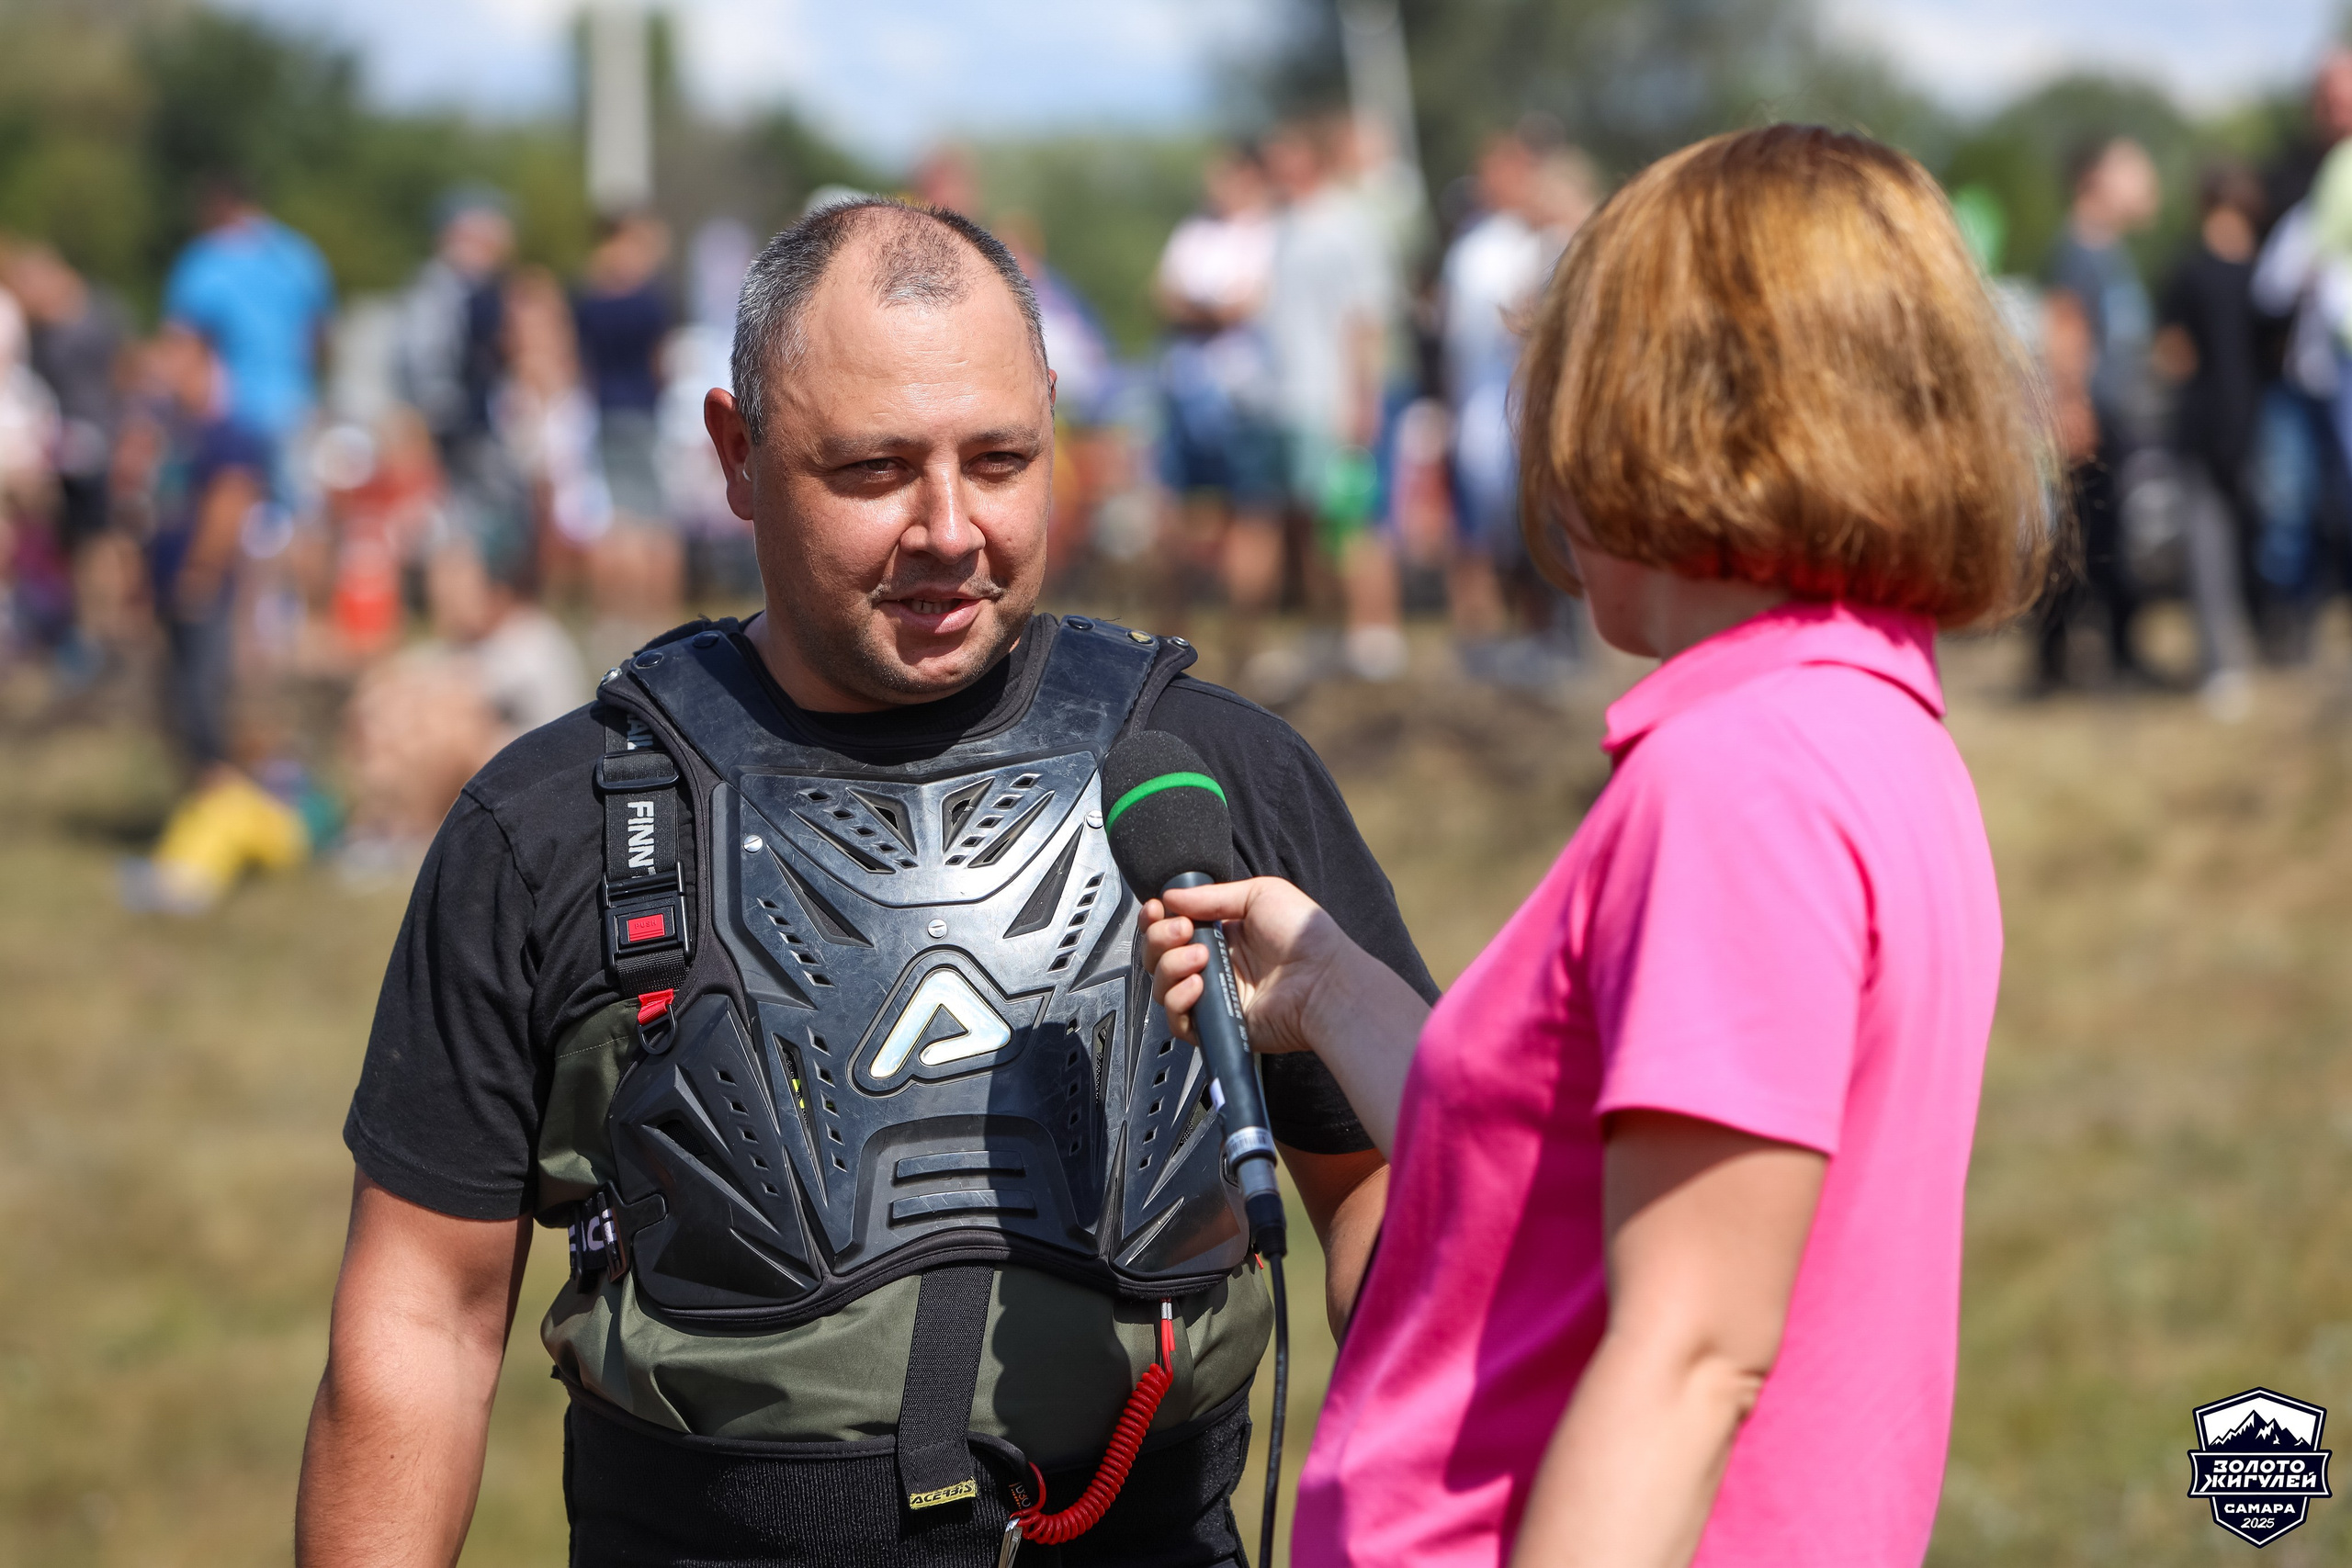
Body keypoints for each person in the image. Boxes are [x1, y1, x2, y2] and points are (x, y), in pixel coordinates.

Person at [298, 197, 1431, 1566]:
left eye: (1001, 458)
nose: (949, 528)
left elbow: (1383, 1199)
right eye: (875, 468)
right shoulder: (552, 823)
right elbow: (424, 1313)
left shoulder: (1206, 774)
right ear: (737, 452)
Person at [1145, 126, 2049, 1566]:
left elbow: (1691, 1352)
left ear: (1668, 417)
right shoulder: (1869, 724)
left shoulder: (1740, 781)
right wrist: (1325, 987)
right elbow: (1554, 1178)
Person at [1260, 119, 1406, 688]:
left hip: (1334, 396)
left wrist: (1364, 397)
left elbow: (1366, 317)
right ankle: (1331, 629)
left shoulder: (1348, 224)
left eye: (1285, 154)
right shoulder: (1286, 226)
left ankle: (1376, 633)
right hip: (1292, 400)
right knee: (1316, 523)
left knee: (1355, 517)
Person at [2037, 136, 2161, 691]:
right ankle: (2055, 666)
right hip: (2088, 420)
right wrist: (2070, 407)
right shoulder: (2076, 248)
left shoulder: (2113, 250)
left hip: (2117, 417)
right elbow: (2064, 329)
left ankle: (2116, 654)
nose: (2143, 179)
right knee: (2081, 541)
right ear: (2094, 178)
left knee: (2106, 536)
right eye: (2130, 169)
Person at [1151, 143, 1283, 658]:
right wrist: (1212, 310)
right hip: (1185, 390)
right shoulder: (1193, 232)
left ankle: (1244, 640)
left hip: (1244, 396)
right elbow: (1162, 296)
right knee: (1176, 514)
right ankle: (1171, 638)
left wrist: (1198, 309)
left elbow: (1245, 306)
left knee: (1250, 515)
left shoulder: (1270, 235)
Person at [2154, 164, 2266, 717]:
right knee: (2217, 547)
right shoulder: (2261, 273)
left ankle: (2231, 661)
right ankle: (2227, 662)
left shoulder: (2197, 271)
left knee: (2221, 548)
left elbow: (2171, 353)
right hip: (2233, 426)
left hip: (2226, 425)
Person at [162, 174, 334, 479]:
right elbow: (321, 335)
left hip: (229, 415)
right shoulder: (298, 255)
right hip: (295, 406)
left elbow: (183, 347)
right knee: (294, 511)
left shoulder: (205, 261)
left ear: (215, 208)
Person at [573, 211, 680, 625]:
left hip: (605, 411)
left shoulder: (590, 298)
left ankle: (614, 616)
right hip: (644, 412)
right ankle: (657, 615)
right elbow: (660, 363)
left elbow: (582, 362)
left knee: (616, 520)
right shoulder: (648, 299)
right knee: (654, 521)